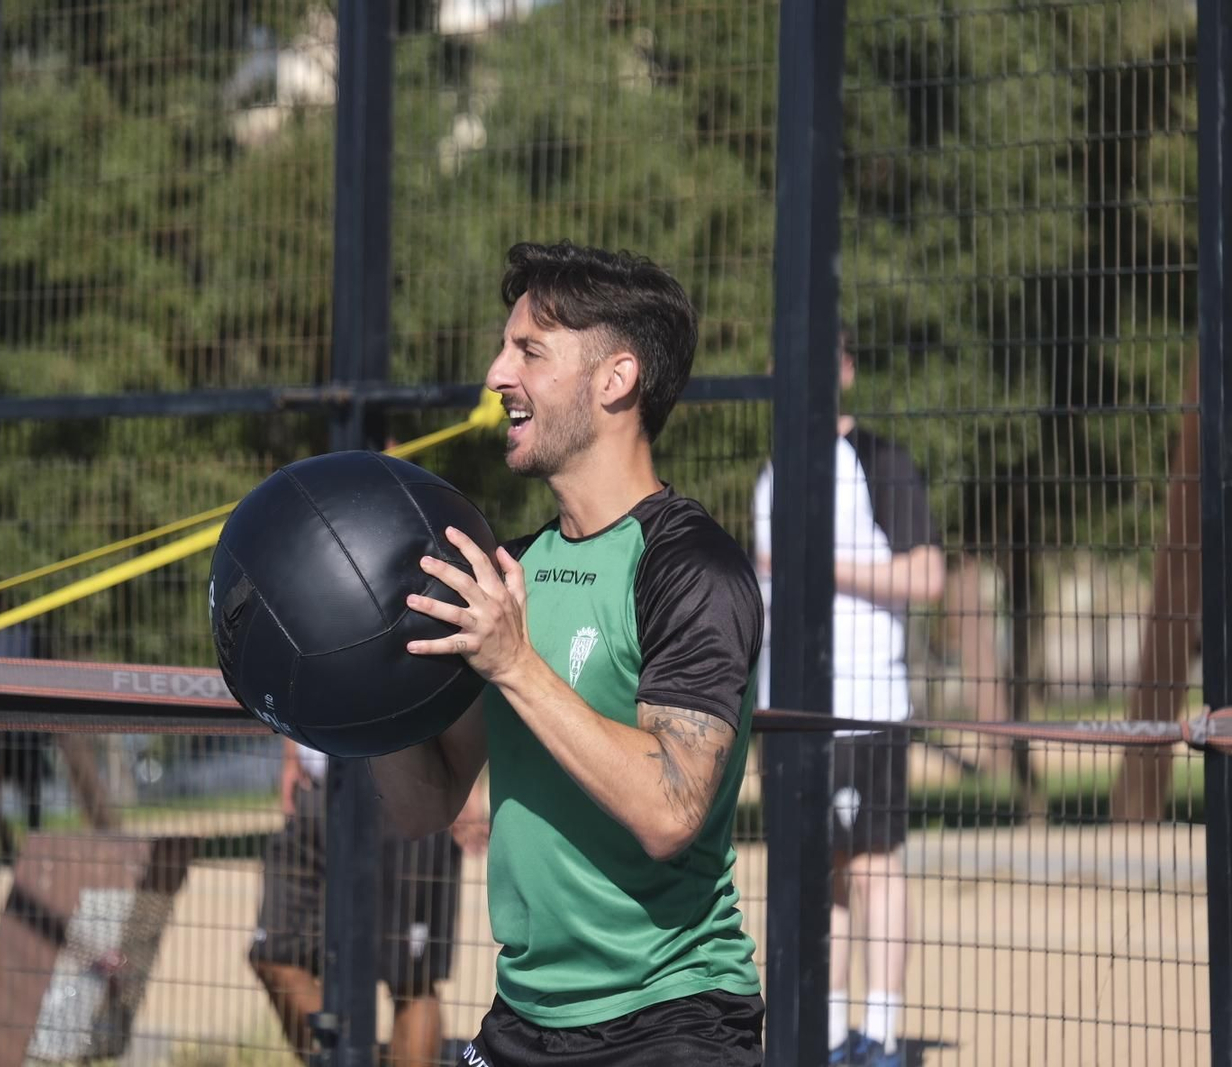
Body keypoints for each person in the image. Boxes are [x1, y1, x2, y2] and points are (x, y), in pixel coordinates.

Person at [369, 241, 766, 1065]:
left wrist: (516, 663)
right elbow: (424, 803)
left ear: (615, 379)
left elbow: (670, 810)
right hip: (524, 1014)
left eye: (530, 351)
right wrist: (358, 681)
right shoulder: (514, 572)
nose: (496, 374)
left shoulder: (691, 567)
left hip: (671, 1019)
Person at [751, 324, 944, 1067]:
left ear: (847, 370)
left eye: (821, 357)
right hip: (789, 709)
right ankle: (828, 1033)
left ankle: (881, 1033)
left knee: (871, 865)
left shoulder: (879, 461)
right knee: (814, 871)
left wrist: (819, 564)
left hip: (865, 705)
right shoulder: (774, 471)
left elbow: (927, 575)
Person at [250, 737, 488, 1066]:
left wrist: (465, 779)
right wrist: (292, 754)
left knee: (411, 979)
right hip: (318, 785)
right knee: (273, 953)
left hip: (408, 783)